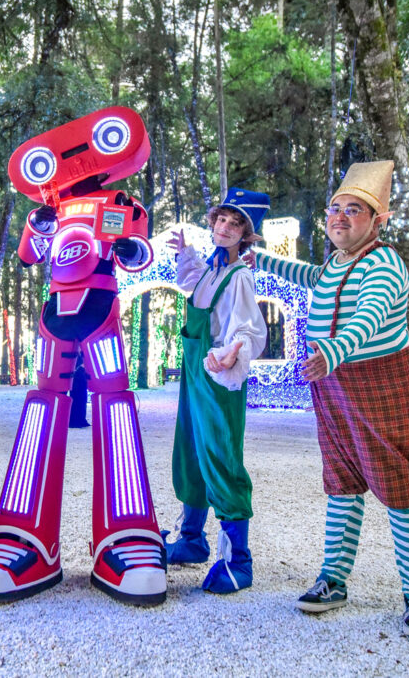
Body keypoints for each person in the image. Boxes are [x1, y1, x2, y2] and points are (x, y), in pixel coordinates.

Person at [248, 161, 409, 640]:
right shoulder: (334, 265)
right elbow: (309, 276)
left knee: (400, 487)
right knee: (342, 483)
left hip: (382, 384)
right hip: (333, 387)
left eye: (354, 210)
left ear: (378, 221)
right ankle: (333, 580)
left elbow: (371, 314)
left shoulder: (384, 262)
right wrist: (260, 259)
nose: (340, 216)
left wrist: (332, 351)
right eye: (335, 208)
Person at [163, 188, 269, 594]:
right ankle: (192, 538)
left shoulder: (239, 276)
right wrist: (185, 253)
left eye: (235, 223)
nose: (224, 227)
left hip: (218, 374)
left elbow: (247, 327)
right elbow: (192, 284)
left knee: (221, 456)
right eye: (221, 219)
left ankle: (238, 561)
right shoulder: (211, 270)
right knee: (190, 451)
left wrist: (231, 353)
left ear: (245, 234)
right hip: (194, 373)